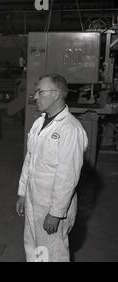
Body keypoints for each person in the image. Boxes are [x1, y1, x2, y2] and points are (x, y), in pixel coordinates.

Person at [15, 74, 88, 262]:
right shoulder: (39, 122)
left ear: (55, 94)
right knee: (33, 249)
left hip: (51, 207)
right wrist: (23, 193)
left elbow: (68, 176)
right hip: (34, 200)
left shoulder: (70, 129)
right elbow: (29, 160)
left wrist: (55, 213)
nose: (35, 96)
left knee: (52, 255)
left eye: (40, 92)